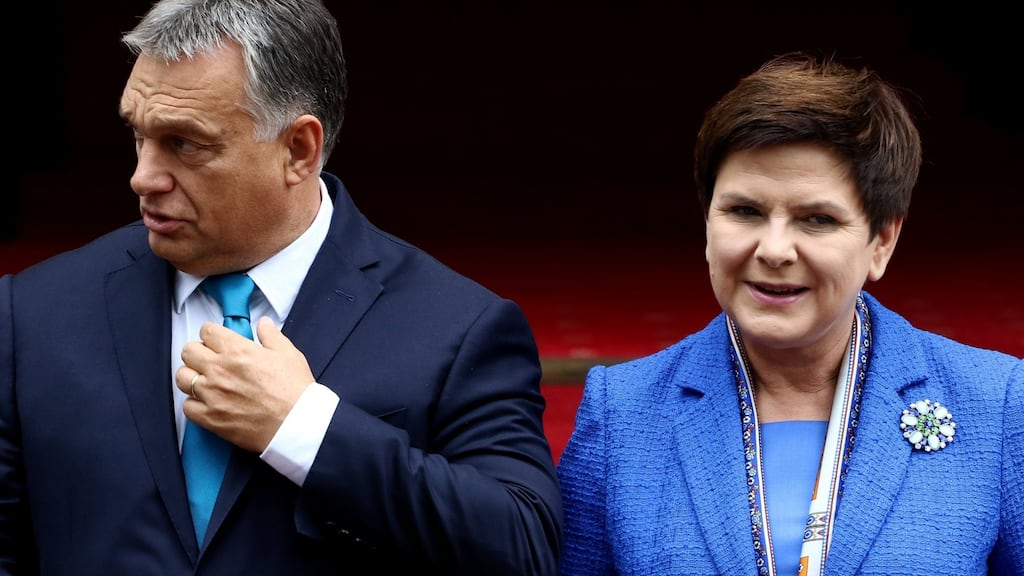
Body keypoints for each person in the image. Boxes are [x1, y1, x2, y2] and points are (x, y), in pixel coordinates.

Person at [0, 0, 563, 573]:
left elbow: (522, 547)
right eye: (138, 136)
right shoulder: (33, 312)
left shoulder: (457, 326)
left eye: (186, 144)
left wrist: (302, 428)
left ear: (298, 149)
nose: (143, 176)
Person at [556, 51, 1024, 575]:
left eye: (817, 219)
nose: (774, 249)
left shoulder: (999, 404)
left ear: (881, 242)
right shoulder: (621, 413)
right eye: (745, 211)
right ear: (707, 222)